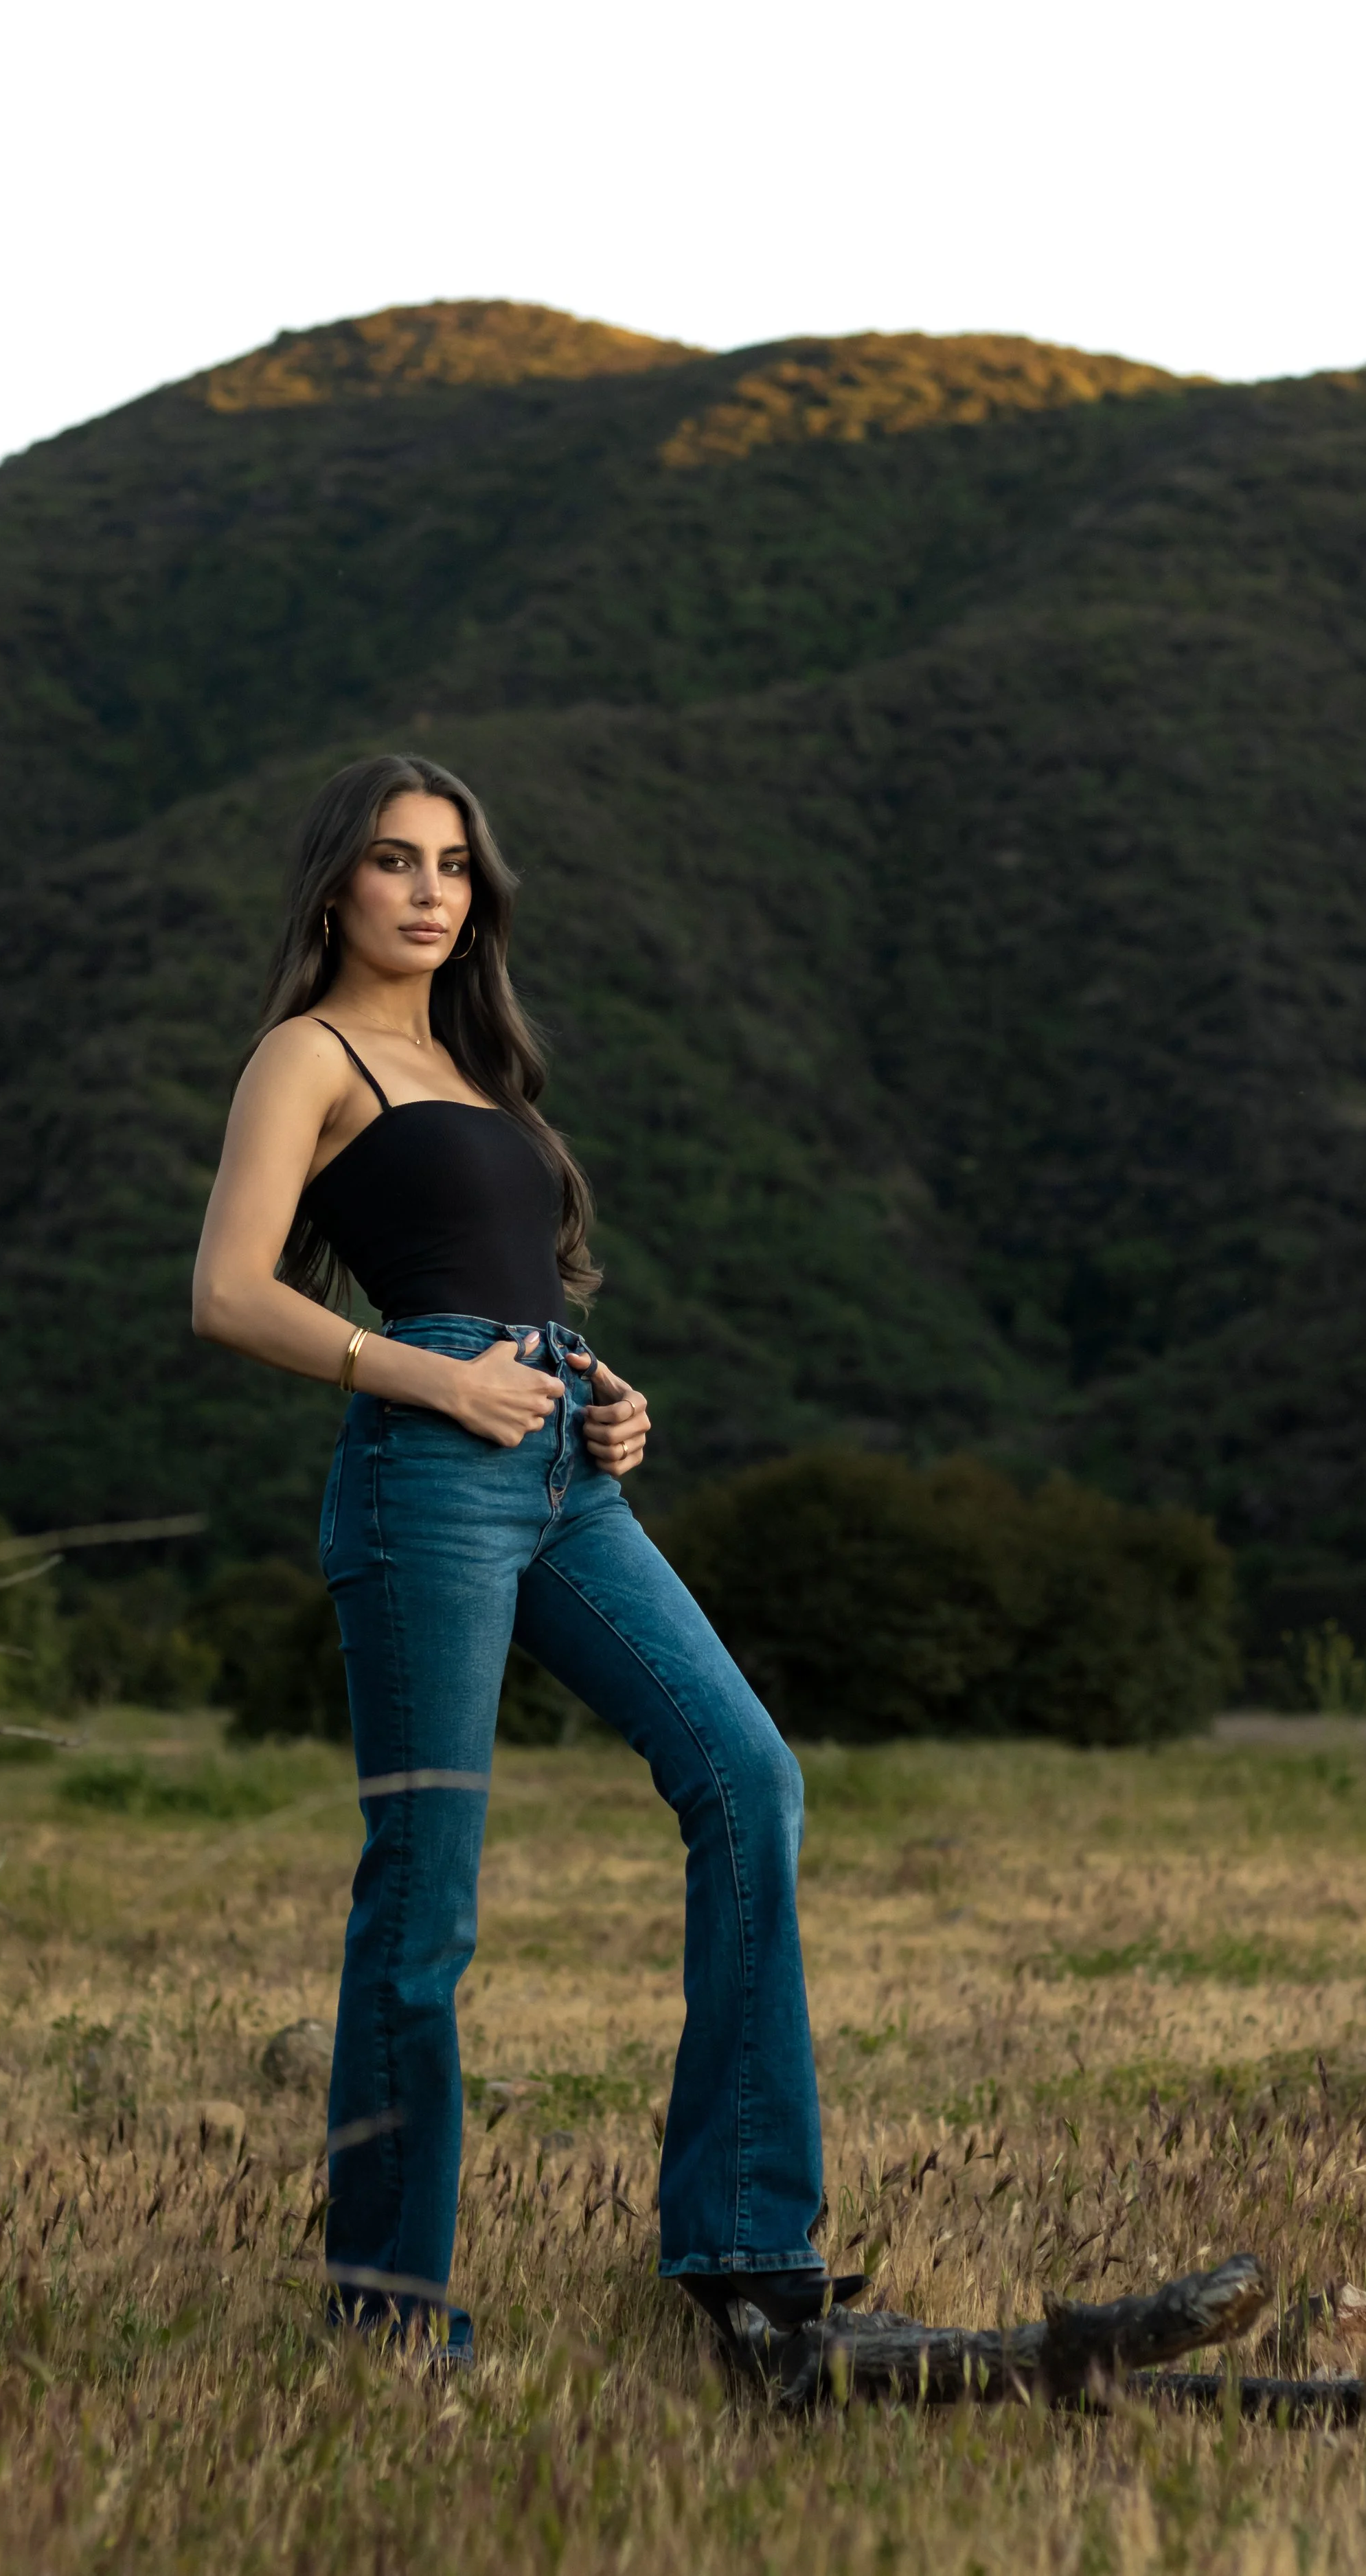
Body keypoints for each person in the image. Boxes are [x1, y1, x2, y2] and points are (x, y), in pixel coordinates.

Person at [192, 753, 856, 2362]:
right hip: (426, 1469)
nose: (429, 889)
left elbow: (519, 1290)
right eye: (392, 861)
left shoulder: (479, 1069)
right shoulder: (311, 1051)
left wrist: (594, 1393)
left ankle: (743, 2246)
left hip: (560, 1467)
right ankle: (391, 2305)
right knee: (423, 1903)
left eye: (452, 865)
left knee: (745, 1776)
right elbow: (228, 1291)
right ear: (334, 886)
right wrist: (433, 1374)